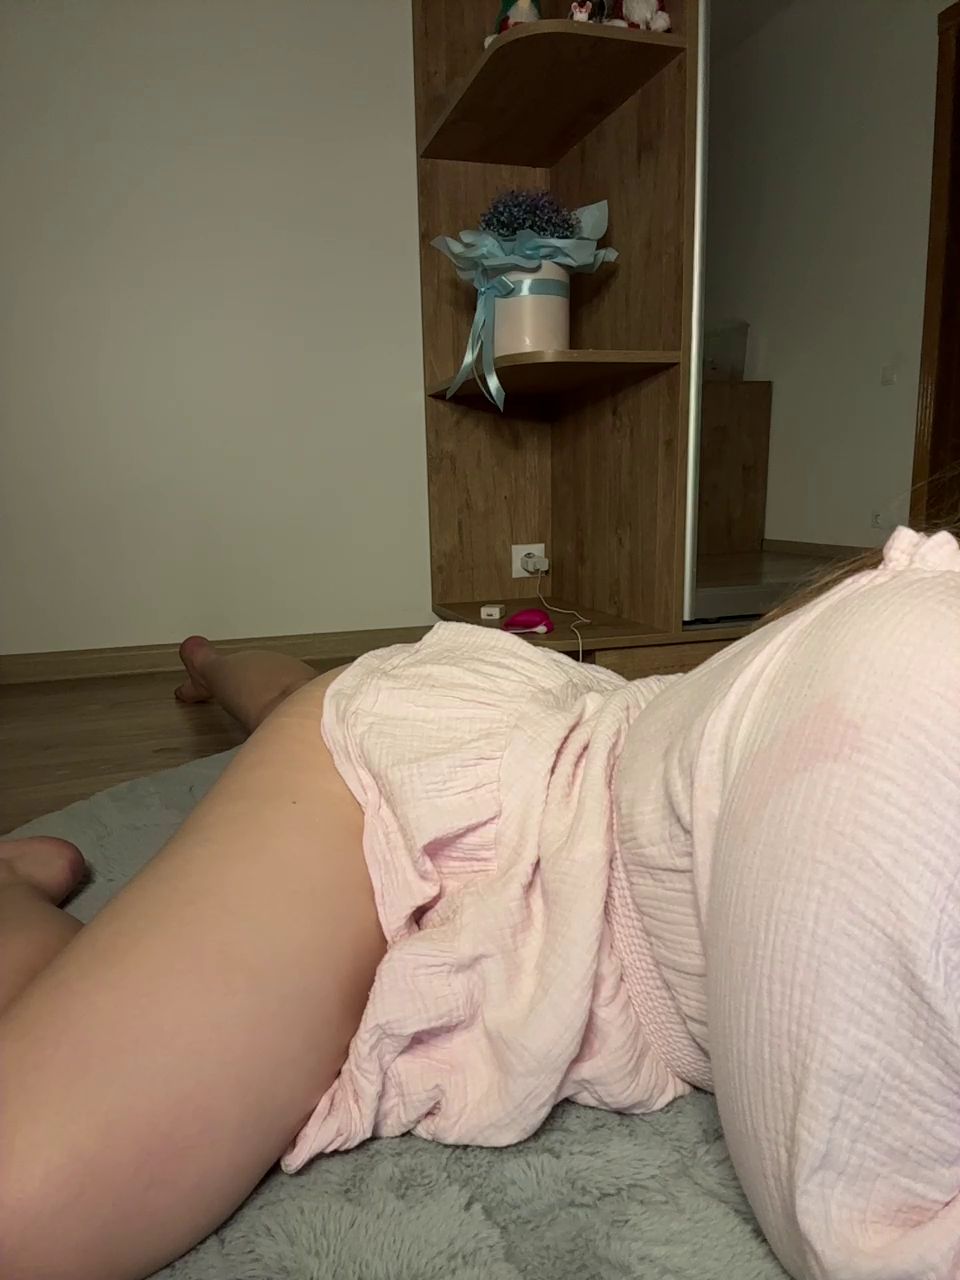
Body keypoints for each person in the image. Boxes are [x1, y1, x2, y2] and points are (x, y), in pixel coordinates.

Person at [1, 524, 958, 1280]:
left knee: (298, 695)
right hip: (490, 804)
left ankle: (221, 664)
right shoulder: (913, 687)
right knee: (25, 1206)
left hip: (579, 751)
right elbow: (853, 1215)